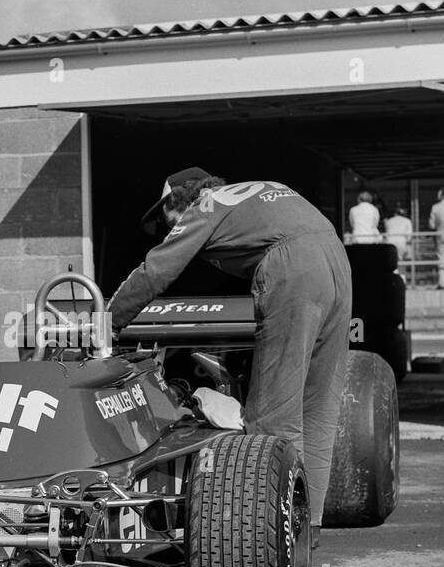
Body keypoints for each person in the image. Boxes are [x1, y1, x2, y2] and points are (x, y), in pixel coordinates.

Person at [107, 168, 352, 547]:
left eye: (164, 218)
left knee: (273, 415)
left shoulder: (204, 206)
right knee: (319, 403)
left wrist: (107, 322)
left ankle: (272, 532)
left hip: (293, 267)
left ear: (177, 202)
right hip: (336, 260)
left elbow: (156, 272)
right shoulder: (261, 189)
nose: (167, 227)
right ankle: (310, 525)